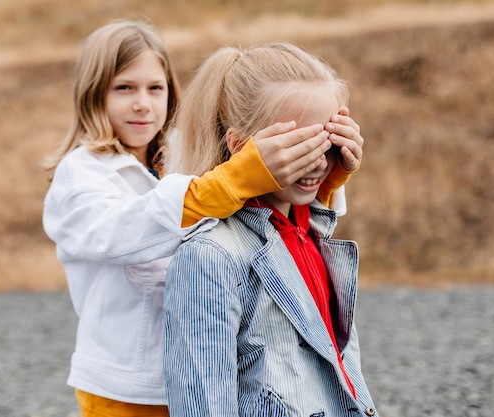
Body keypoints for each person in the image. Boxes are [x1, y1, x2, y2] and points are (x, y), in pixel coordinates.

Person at [42, 20, 364, 417]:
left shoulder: (182, 153)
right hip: (129, 388)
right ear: (92, 94)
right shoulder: (81, 176)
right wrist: (230, 180)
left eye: (155, 88)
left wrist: (327, 178)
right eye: (124, 87)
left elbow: (277, 223)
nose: (142, 102)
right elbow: (121, 234)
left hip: (208, 370)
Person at [163, 42, 376, 417]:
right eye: (299, 146)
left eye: (328, 142)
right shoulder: (209, 256)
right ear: (240, 146)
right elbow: (202, 405)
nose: (318, 164)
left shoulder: (313, 231)